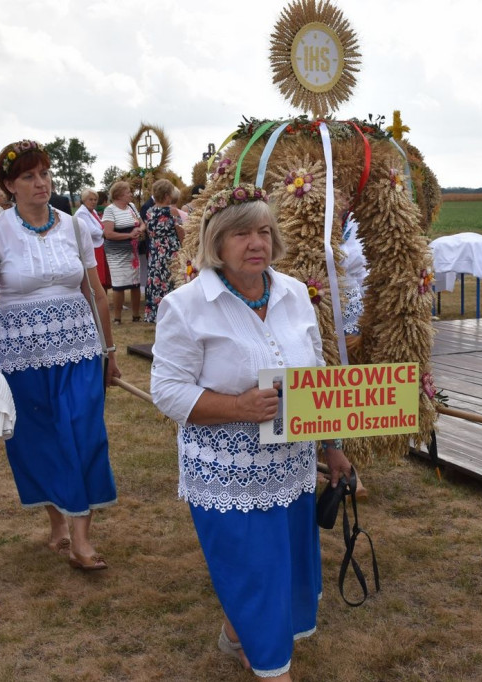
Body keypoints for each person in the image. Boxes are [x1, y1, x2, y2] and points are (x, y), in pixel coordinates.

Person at [150, 183, 351, 682]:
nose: (256, 242)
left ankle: (237, 634)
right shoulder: (186, 305)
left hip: (290, 466)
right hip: (229, 471)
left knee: (278, 566)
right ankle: (272, 668)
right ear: (216, 242)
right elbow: (168, 392)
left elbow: (316, 374)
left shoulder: (294, 293)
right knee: (255, 572)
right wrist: (237, 406)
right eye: (241, 233)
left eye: (263, 230)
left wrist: (333, 447)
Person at [0, 139, 120, 571]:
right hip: (22, 357)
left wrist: (109, 351)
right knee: (38, 440)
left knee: (84, 433)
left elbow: (96, 293)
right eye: (29, 176)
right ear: (10, 185)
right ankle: (57, 519)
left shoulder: (74, 227)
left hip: (80, 352)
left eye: (45, 173)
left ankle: (82, 540)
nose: (41, 183)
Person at [101, 180, 144, 323]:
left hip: (133, 252)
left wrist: (139, 230)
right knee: (119, 284)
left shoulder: (132, 206)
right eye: (128, 192)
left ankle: (136, 315)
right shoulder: (110, 210)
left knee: (135, 283)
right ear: (119, 195)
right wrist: (129, 235)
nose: (131, 195)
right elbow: (108, 234)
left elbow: (142, 224)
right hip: (116, 253)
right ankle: (117, 317)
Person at [143, 178, 185, 323]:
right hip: (171, 253)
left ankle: (157, 315)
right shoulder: (173, 212)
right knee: (173, 283)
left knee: (157, 284)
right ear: (167, 195)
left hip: (155, 254)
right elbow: (181, 233)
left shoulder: (149, 212)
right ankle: (174, 316)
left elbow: (149, 232)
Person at [75, 188, 111, 291]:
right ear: (84, 200)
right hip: (92, 247)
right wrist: (105, 233)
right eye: (90, 199)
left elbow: (101, 224)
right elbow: (91, 231)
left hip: (99, 245)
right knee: (97, 277)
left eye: (95, 200)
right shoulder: (82, 213)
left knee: (103, 277)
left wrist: (104, 230)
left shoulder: (92, 211)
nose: (93, 202)